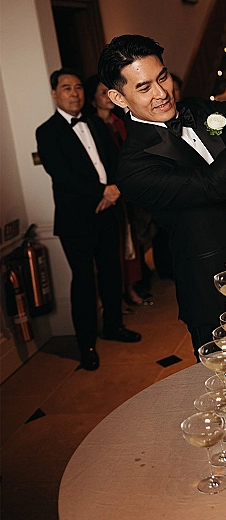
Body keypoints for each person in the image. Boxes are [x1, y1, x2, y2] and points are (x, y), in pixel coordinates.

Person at [98, 33, 226, 351]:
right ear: (118, 98)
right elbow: (213, 184)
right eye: (144, 87)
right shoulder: (134, 166)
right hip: (215, 294)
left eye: (162, 77)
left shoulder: (195, 110)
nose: (162, 93)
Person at [36, 69, 141, 371]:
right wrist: (102, 191)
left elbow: (116, 159)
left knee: (111, 272)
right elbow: (61, 174)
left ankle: (113, 326)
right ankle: (86, 345)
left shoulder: (95, 122)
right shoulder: (47, 131)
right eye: (66, 88)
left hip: (108, 212)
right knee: (83, 281)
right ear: (54, 93)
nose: (74, 93)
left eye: (79, 87)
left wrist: (115, 189)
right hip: (76, 219)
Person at [84, 74, 150, 307]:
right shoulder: (92, 125)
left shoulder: (119, 120)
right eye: (102, 93)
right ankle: (120, 295)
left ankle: (133, 287)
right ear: (93, 99)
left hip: (127, 189)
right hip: (109, 193)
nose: (108, 97)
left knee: (132, 241)